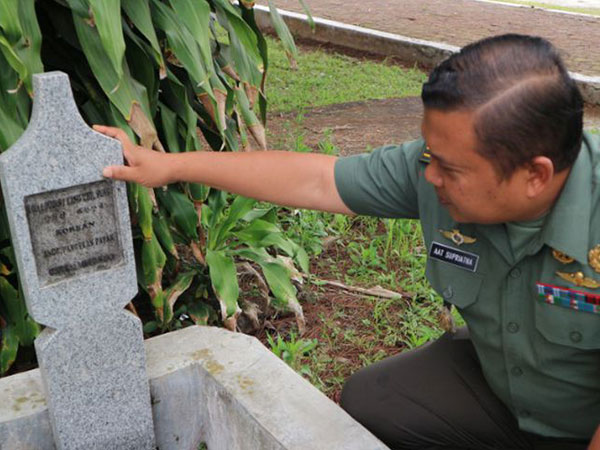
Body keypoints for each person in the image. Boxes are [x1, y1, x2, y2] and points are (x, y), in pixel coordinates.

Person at [95, 34, 600, 450]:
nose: (430, 178)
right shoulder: (434, 166)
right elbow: (318, 180)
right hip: (508, 390)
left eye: (451, 168)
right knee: (377, 399)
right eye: (431, 155)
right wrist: (169, 166)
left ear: (535, 175)